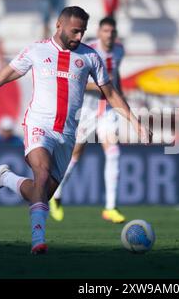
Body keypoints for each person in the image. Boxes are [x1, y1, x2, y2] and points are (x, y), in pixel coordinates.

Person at [0, 6, 149, 255]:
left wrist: (135, 122)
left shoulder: (91, 57)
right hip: (39, 126)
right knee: (42, 174)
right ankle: (38, 240)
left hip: (67, 134)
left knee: (41, 193)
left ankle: (5, 178)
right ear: (59, 25)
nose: (79, 37)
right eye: (75, 31)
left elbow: (111, 94)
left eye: (83, 32)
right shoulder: (37, 50)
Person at [49, 16, 126, 224]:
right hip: (87, 110)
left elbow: (116, 76)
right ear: (99, 33)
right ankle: (55, 194)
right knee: (75, 154)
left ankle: (110, 207)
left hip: (108, 109)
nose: (109, 35)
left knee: (113, 152)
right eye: (105, 31)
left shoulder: (119, 50)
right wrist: (105, 86)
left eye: (112, 31)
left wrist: (120, 97)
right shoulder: (87, 51)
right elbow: (78, 80)